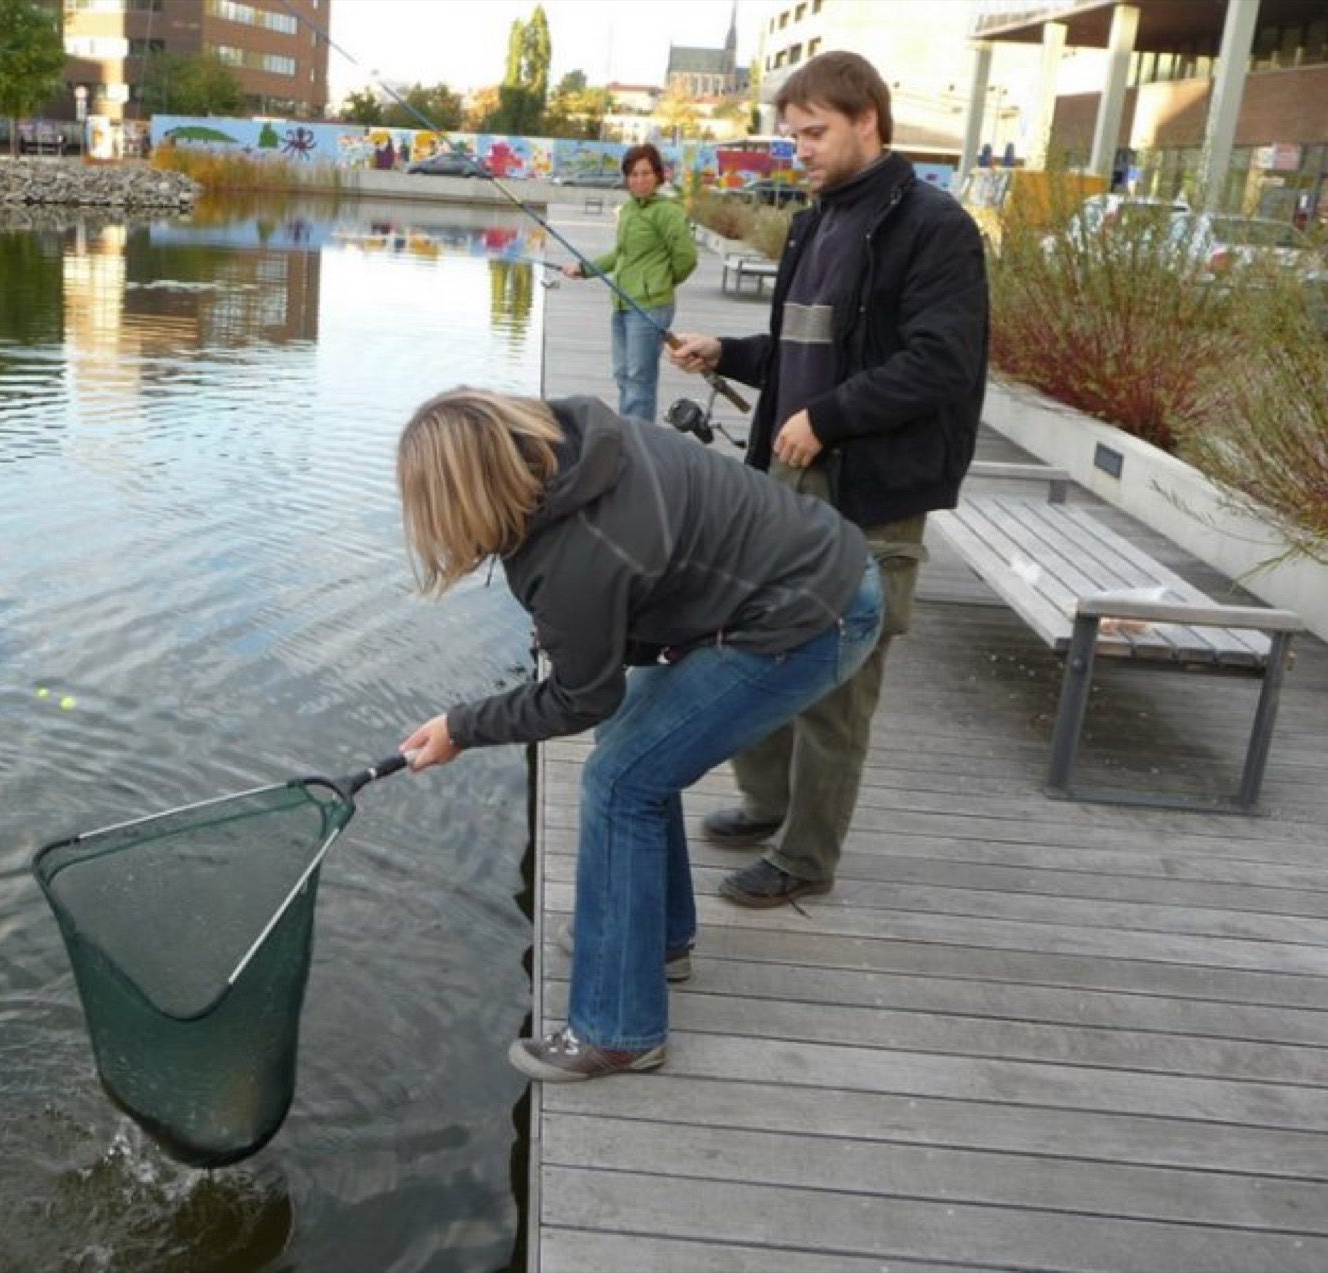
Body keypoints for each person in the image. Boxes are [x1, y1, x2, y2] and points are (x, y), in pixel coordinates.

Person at [395, 388, 883, 1082]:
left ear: (464, 495)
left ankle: (618, 1029)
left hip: (814, 614)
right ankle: (657, 941)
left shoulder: (575, 551)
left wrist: (461, 727)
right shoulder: (575, 444)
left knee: (620, 779)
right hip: (811, 569)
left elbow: (581, 698)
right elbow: (621, 625)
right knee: (638, 745)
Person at [668, 50, 989, 908]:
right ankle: (766, 800)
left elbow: (941, 365)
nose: (799, 149)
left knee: (840, 676)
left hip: (869, 490)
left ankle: (807, 856)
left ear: (868, 123)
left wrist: (828, 419)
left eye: (815, 133)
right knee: (748, 635)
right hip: (784, 472)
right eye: (793, 134)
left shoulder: (933, 227)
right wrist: (728, 352)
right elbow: (807, 353)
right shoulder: (816, 222)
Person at [562, 144, 696, 424]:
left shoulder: (668, 212)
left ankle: (638, 443)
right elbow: (620, 255)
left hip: (650, 308)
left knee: (639, 380)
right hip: (623, 302)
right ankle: (627, 433)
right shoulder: (628, 211)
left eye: (646, 173)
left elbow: (686, 258)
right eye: (633, 174)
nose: (639, 180)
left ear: (658, 176)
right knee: (623, 375)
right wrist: (584, 269)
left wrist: (660, 282)